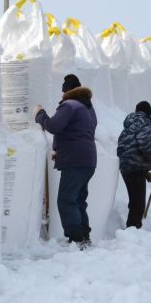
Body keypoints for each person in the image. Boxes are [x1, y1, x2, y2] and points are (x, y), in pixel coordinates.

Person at [34, 74, 97, 247]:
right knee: (78, 199)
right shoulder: (88, 108)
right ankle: (84, 235)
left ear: (66, 91)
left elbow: (54, 126)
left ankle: (76, 238)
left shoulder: (69, 106)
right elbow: (78, 132)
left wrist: (40, 114)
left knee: (66, 199)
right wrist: (60, 151)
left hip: (75, 160)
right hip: (88, 159)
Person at [116, 101, 151, 229]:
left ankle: (132, 230)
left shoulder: (130, 125)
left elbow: (130, 147)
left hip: (126, 166)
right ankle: (132, 230)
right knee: (138, 203)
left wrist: (144, 171)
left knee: (135, 200)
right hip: (135, 166)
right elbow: (145, 145)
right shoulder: (146, 124)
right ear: (149, 113)